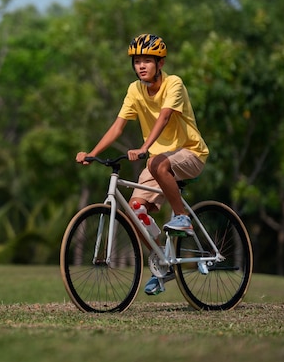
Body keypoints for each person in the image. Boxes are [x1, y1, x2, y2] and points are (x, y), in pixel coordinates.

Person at [75, 33, 209, 295]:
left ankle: (182, 217)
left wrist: (145, 147)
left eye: (148, 60)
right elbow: (117, 126)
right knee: (136, 212)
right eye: (137, 61)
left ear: (160, 63)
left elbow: (164, 116)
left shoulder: (174, 84)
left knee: (158, 163)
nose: (141, 66)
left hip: (190, 153)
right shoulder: (135, 90)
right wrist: (92, 153)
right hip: (158, 161)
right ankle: (162, 262)